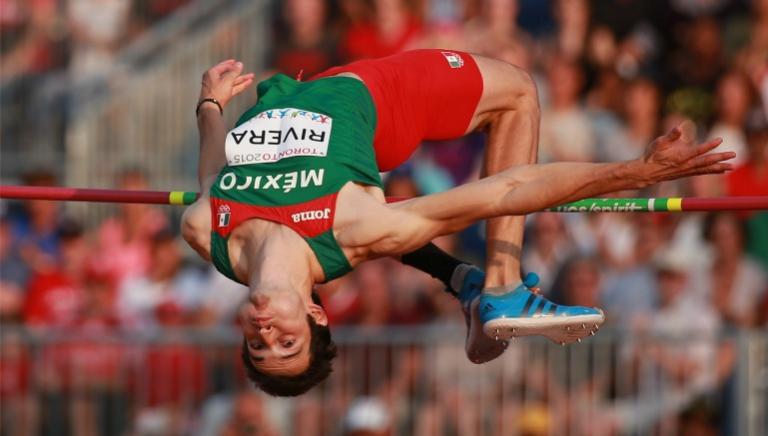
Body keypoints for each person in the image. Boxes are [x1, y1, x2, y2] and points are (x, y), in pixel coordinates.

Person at [181, 51, 734, 396]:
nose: (267, 334)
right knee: (518, 90)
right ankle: (502, 287)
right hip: (371, 94)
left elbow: (211, 173)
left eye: (259, 347)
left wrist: (209, 105)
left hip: (283, 91)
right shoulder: (359, 228)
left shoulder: (207, 231)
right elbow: (506, 190)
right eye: (287, 342)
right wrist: (633, 172)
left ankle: (472, 287)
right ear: (315, 312)